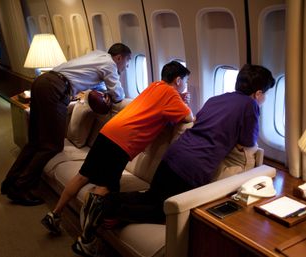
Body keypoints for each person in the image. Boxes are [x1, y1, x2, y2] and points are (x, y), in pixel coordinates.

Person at [73, 64, 275, 257]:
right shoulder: (250, 105)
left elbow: (198, 120)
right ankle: (111, 210)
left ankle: (103, 200)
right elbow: (249, 141)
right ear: (258, 93)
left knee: (151, 197)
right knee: (164, 212)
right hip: (193, 166)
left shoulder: (215, 98)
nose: (263, 99)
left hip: (174, 154)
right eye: (264, 94)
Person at [40, 61, 194, 248]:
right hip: (122, 142)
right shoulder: (171, 93)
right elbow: (188, 118)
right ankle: (86, 240)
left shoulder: (155, 85)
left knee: (82, 176)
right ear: (178, 80)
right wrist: (182, 99)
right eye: (185, 81)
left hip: (109, 132)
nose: (185, 85)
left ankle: (54, 214)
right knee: (104, 188)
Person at [1, 43, 132, 206]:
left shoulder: (97, 55)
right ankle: (20, 187)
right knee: (52, 145)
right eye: (126, 62)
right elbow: (118, 95)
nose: (125, 66)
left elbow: (93, 83)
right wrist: (112, 94)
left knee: (35, 141)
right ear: (119, 57)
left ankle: (10, 182)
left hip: (43, 82)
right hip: (54, 89)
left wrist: (104, 91)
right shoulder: (110, 64)